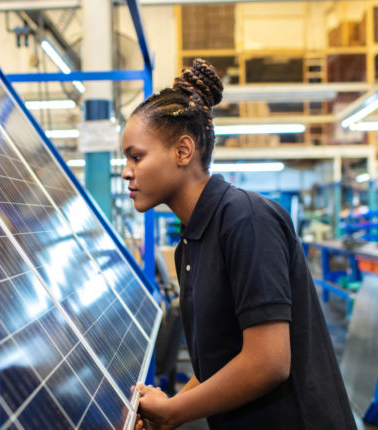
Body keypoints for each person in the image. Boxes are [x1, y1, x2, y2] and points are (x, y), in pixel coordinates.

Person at [121, 58, 356, 430]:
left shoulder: (246, 220)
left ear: (183, 151)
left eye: (136, 156)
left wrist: (177, 411)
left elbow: (269, 362)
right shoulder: (192, 244)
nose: (126, 171)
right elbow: (223, 363)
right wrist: (170, 410)